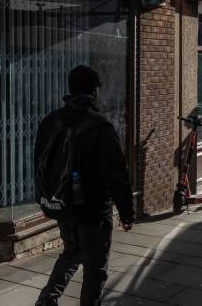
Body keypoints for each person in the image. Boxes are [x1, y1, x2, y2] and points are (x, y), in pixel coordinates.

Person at [34, 65, 135, 306]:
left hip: (63, 205)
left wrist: (47, 197)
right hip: (93, 212)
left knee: (71, 254)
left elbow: (39, 163)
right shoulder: (100, 126)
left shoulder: (50, 121)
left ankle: (47, 300)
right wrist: (127, 212)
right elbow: (117, 175)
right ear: (94, 91)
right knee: (95, 268)